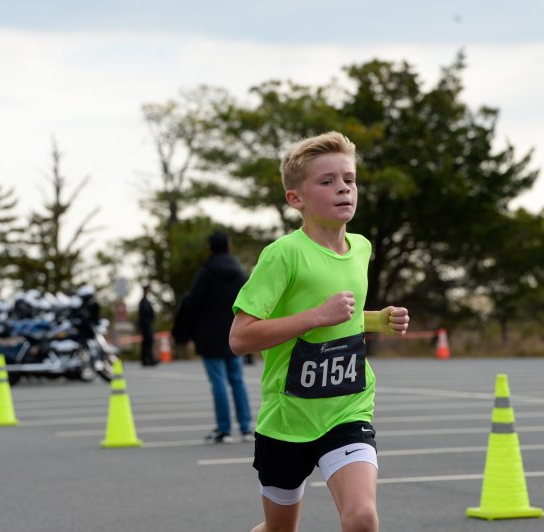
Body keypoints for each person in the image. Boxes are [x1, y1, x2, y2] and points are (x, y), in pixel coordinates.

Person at [228, 131, 410, 532]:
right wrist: (314, 316)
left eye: (349, 179)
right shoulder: (283, 255)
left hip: (348, 409)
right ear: (296, 198)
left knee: (362, 518)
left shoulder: (360, 248)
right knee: (279, 529)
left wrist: (378, 319)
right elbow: (241, 337)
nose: (343, 188)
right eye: (327, 182)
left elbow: (344, 317)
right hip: (287, 420)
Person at [173, 230, 253, 444]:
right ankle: (246, 428)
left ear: (210, 247)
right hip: (234, 333)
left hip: (208, 334)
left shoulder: (206, 273)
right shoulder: (239, 272)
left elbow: (192, 304)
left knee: (218, 382)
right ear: (229, 246)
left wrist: (185, 331)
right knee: (237, 380)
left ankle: (224, 429)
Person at [138, 284, 157, 366]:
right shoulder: (143, 302)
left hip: (147, 325)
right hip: (146, 326)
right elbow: (145, 314)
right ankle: (147, 359)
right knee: (147, 342)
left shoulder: (145, 301)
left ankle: (148, 358)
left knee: (148, 342)